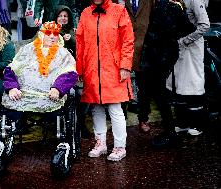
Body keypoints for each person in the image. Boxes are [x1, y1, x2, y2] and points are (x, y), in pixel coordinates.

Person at [76, 0, 134, 161]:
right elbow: (80, 43)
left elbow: (128, 41)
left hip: (113, 69)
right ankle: (100, 143)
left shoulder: (119, 11)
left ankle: (120, 146)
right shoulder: (85, 13)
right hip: (92, 69)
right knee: (96, 107)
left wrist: (125, 66)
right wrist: (79, 68)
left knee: (115, 108)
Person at [140, 0, 197, 147]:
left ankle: (170, 132)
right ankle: (169, 131)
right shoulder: (169, 5)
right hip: (161, 55)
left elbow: (188, 28)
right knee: (160, 93)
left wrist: (169, 36)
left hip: (159, 57)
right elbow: (187, 28)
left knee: (160, 94)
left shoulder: (168, 6)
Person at [1, 21, 78, 125]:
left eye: (55, 34)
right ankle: (19, 125)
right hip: (23, 92)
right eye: (48, 33)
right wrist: (12, 88)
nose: (52, 37)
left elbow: (70, 74)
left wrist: (58, 88)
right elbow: (11, 70)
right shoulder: (27, 49)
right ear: (41, 34)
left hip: (50, 94)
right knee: (12, 104)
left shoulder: (64, 53)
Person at [166, 0, 210, 136]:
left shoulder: (195, 0)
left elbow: (204, 25)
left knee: (193, 85)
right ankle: (183, 123)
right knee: (180, 86)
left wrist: (186, 40)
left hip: (191, 48)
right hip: (179, 48)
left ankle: (198, 124)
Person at [123, 0, 155, 133]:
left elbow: (154, 18)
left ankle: (143, 119)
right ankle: (121, 119)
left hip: (144, 50)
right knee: (122, 86)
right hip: (124, 48)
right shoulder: (120, 1)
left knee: (144, 88)